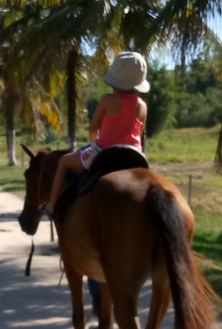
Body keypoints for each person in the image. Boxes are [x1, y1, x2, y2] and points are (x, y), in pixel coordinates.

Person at [45, 51, 149, 215]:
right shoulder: (142, 106)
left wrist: (95, 141)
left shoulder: (108, 100)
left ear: (115, 78)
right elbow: (138, 133)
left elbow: (93, 129)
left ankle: (51, 205)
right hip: (134, 155)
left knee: (64, 161)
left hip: (104, 152)